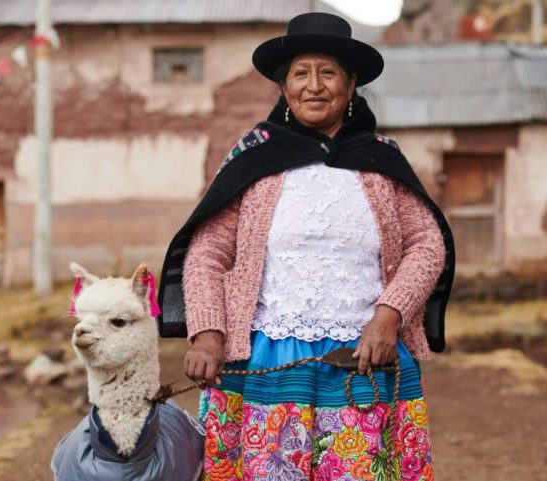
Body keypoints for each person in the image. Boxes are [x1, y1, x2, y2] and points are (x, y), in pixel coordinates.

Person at [158, 12, 454, 481]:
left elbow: (427, 243)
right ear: (284, 87)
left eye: (328, 72)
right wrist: (209, 333)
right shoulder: (255, 158)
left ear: (351, 84)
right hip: (263, 360)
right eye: (301, 73)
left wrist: (389, 315)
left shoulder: (380, 161)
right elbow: (208, 251)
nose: (314, 86)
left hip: (364, 360)